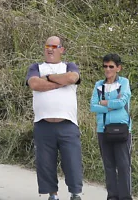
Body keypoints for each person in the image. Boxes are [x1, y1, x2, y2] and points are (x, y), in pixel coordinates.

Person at [26, 36, 83, 200]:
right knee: (45, 163)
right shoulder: (36, 67)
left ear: (61, 49)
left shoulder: (69, 66)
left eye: (54, 46)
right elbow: (35, 84)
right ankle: (53, 195)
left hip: (68, 124)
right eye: (47, 46)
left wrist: (49, 78)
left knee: (72, 161)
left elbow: (72, 78)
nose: (50, 49)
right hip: (43, 125)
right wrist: (60, 81)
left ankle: (75, 193)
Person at [91, 53, 132, 200]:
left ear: (118, 68)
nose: (107, 69)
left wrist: (105, 103)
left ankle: (125, 197)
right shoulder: (99, 85)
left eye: (111, 66)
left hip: (122, 129)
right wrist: (111, 105)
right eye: (105, 66)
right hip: (103, 130)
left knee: (123, 166)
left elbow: (122, 102)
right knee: (108, 166)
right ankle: (112, 196)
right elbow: (93, 106)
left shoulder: (124, 83)